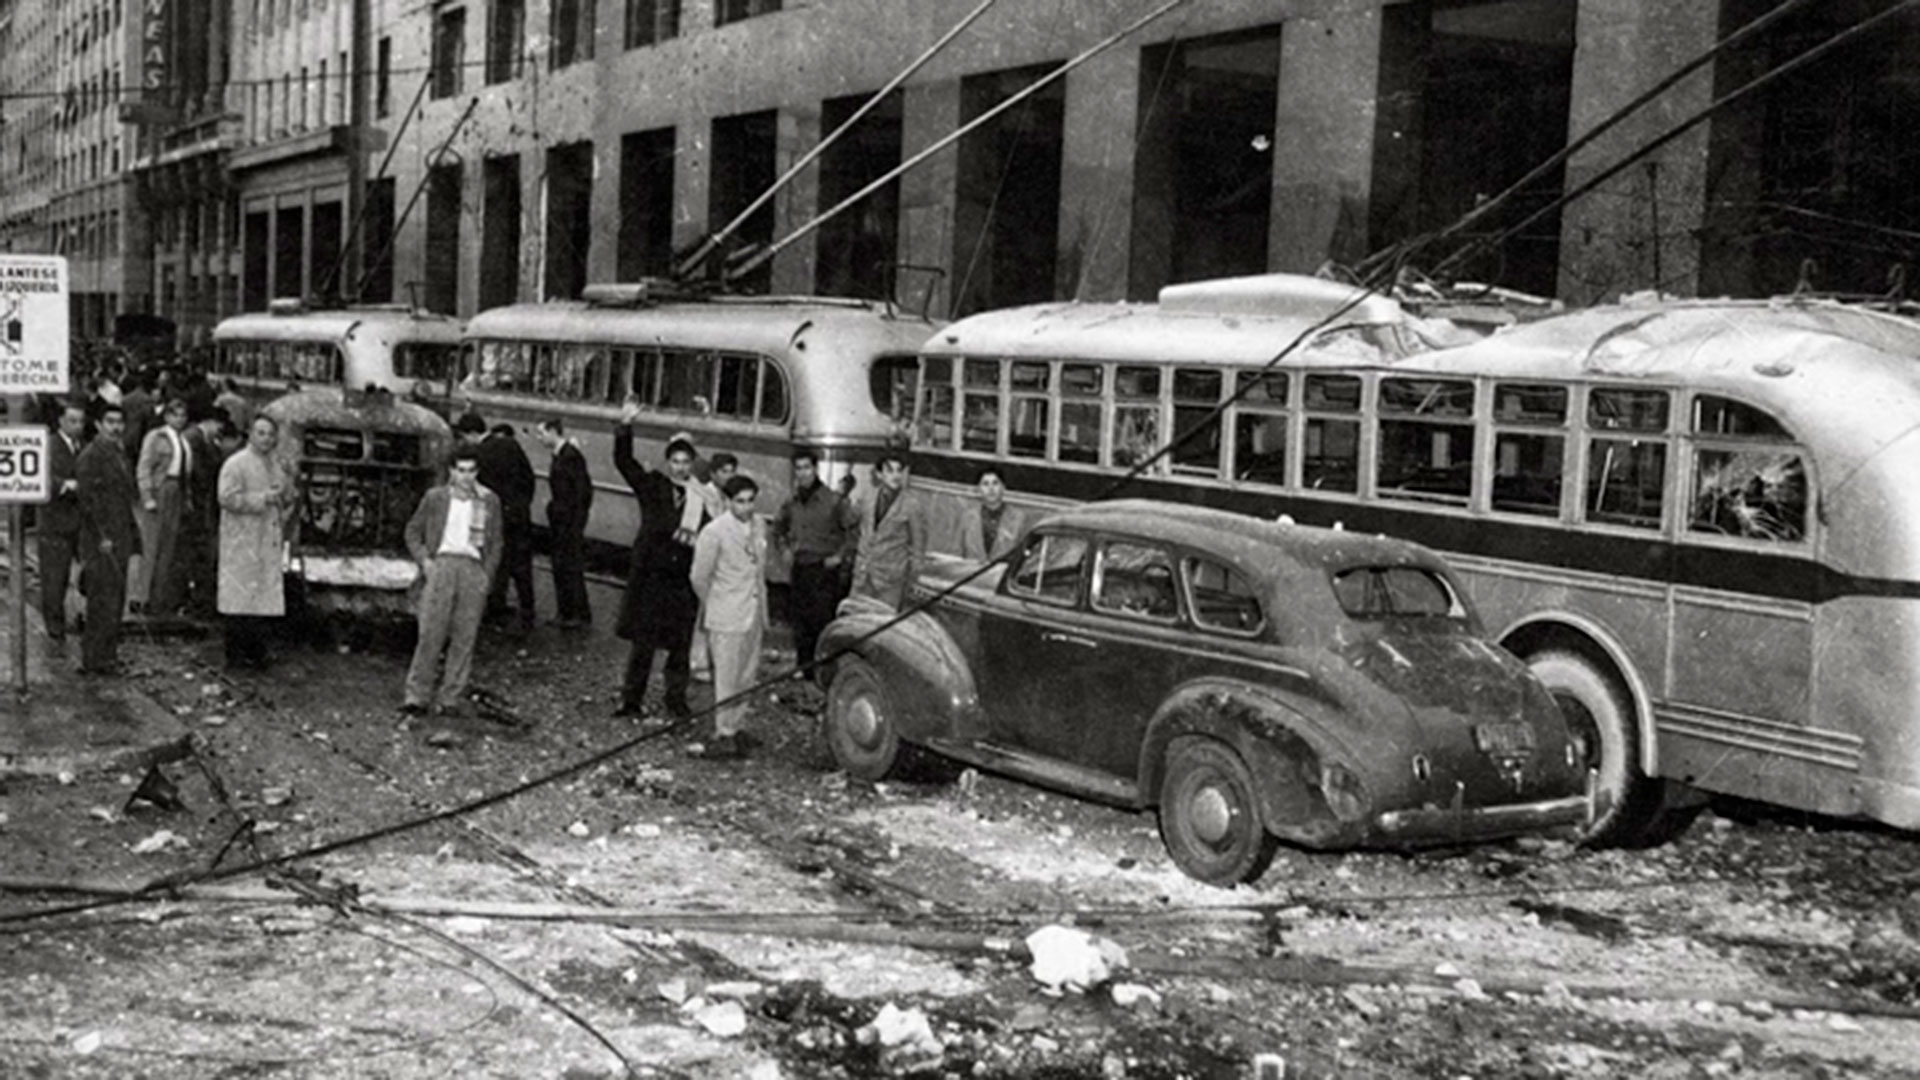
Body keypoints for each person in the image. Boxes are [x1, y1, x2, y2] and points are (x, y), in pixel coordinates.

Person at [612, 410, 719, 719]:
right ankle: (631, 700)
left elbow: (710, 536)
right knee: (643, 643)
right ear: (667, 462)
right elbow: (624, 463)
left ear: (692, 464)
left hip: (682, 579)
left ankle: (676, 700)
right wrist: (626, 425)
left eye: (685, 462)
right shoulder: (653, 486)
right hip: (651, 575)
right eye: (675, 461)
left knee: (679, 645)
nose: (680, 467)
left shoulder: (702, 497)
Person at [401, 443, 503, 717]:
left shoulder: (488, 500)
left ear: (477, 472)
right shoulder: (436, 498)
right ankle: (417, 695)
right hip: (441, 566)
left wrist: (486, 575)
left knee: (464, 637)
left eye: (471, 471)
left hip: (472, 567)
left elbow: (496, 542)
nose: (466, 476)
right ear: (451, 471)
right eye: (461, 470)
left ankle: (450, 698)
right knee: (430, 634)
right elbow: (412, 531)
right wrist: (425, 560)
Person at [690, 475, 770, 760]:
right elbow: (699, 576)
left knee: (746, 675)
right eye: (739, 501)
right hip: (726, 615)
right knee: (726, 678)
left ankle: (737, 727)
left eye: (750, 501)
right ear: (727, 501)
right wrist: (716, 604)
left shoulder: (759, 525)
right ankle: (723, 732)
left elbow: (759, 570)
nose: (746, 507)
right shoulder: (714, 532)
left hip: (753, 613)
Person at [217, 415, 295, 669]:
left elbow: (286, 495)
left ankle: (257, 652)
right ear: (250, 434)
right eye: (261, 433)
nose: (266, 439)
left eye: (270, 434)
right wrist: (261, 498)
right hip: (242, 538)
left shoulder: (276, 465)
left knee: (262, 598)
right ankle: (235, 655)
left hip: (266, 538)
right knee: (239, 597)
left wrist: (287, 490)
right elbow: (226, 497)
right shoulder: (236, 464)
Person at [771, 449, 857, 673]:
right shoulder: (791, 502)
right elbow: (777, 528)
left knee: (822, 622)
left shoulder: (833, 501)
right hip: (800, 568)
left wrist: (839, 557)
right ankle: (803, 668)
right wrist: (784, 550)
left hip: (823, 571)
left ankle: (822, 671)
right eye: (798, 468)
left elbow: (853, 533)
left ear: (815, 469)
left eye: (807, 468)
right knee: (800, 621)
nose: (803, 473)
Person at [75, 403, 140, 675]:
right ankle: (94, 659)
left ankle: (108, 656)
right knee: (101, 600)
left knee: (115, 599)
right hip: (101, 542)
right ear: (99, 425)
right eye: (110, 422)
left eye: (119, 422)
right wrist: (101, 536)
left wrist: (132, 535)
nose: (116, 427)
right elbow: (86, 501)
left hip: (119, 536)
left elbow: (124, 500)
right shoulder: (92, 455)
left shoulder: (118, 453)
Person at [136, 398, 194, 616]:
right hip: (161, 487)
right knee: (152, 544)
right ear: (167, 416)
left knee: (168, 547)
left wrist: (187, 498)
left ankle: (158, 597)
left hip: (177, 489)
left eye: (183, 415)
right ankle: (141, 596)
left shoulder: (184, 440)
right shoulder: (156, 437)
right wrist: (147, 496)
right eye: (175, 415)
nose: (179, 419)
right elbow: (144, 467)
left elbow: (186, 473)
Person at [850, 452, 929, 611]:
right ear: (879, 474)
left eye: (899, 470)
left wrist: (911, 581)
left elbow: (918, 548)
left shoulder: (911, 504)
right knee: (854, 620)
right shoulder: (867, 497)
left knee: (883, 623)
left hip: (890, 582)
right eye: (890, 470)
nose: (896, 476)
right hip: (862, 577)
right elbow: (849, 522)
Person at [477, 421, 536, 632]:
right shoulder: (511, 445)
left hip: (497, 517)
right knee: (522, 566)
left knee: (499, 563)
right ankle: (527, 609)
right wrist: (521, 505)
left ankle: (496, 607)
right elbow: (529, 478)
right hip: (519, 515)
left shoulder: (480, 453)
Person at [37, 402, 87, 650]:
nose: (78, 426)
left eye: (81, 421)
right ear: (61, 422)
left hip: (80, 520)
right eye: (72, 421)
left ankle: (79, 617)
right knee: (55, 577)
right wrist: (64, 485)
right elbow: (41, 477)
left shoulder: (83, 447)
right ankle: (55, 629)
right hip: (55, 520)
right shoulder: (49, 445)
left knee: (83, 573)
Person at [535, 418, 593, 628]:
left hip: (567, 522)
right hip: (564, 520)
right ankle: (569, 612)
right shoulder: (564, 455)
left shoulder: (569, 457)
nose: (539, 438)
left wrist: (571, 518)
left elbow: (582, 492)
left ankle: (573, 613)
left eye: (541, 433)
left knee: (567, 566)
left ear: (553, 431)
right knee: (564, 566)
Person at [957, 466, 1031, 562]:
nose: (991, 489)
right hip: (973, 570)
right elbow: (957, 552)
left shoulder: (1019, 518)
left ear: (1003, 487)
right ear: (978, 489)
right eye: (985, 484)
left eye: (995, 483)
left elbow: (1024, 555)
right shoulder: (967, 517)